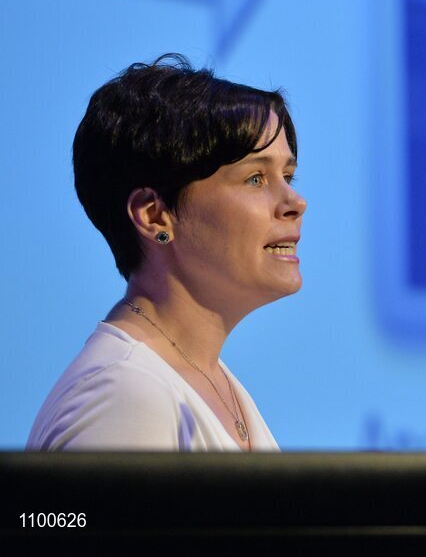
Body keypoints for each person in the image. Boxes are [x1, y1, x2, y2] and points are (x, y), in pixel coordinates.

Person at [27, 54, 306, 451]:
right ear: (154, 215)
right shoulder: (124, 396)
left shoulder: (204, 379)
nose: (295, 202)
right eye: (255, 178)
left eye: (288, 176)